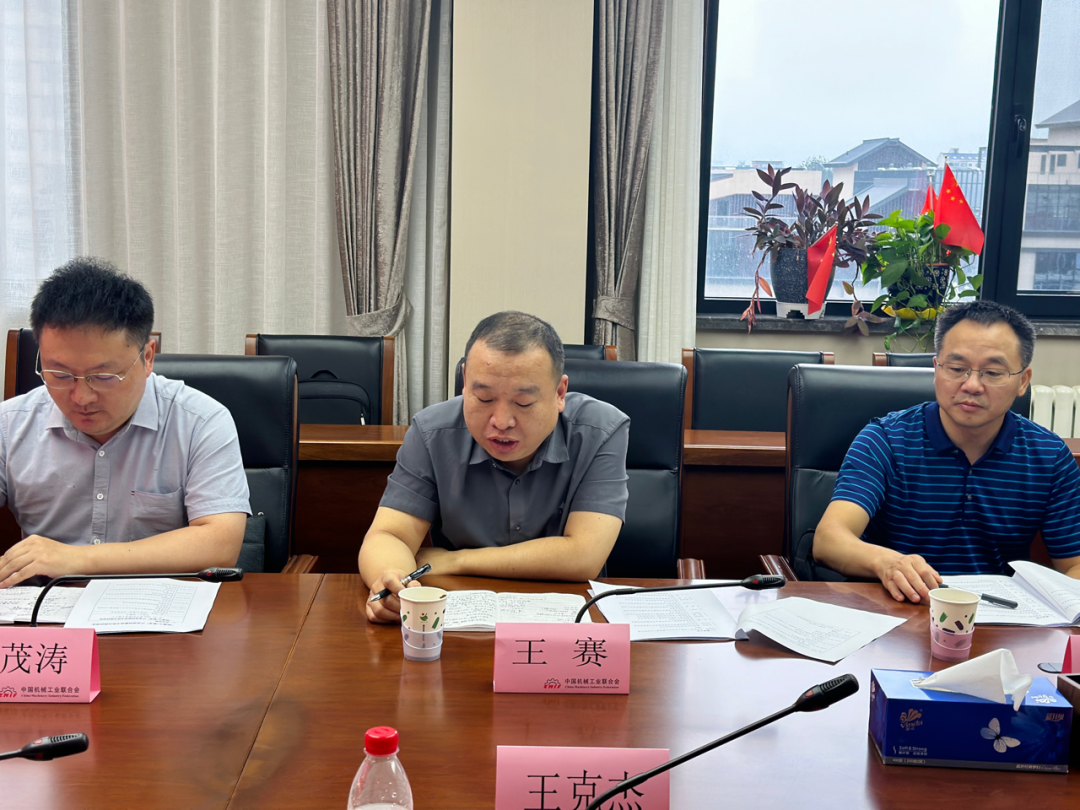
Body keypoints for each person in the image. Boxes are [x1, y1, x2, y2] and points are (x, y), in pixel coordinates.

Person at [360, 311, 629, 623]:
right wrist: (391, 579)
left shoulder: (601, 431)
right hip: (461, 620)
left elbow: (584, 556)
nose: (501, 422)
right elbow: (390, 535)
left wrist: (456, 561)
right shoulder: (432, 432)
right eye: (484, 398)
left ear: (559, 393)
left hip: (572, 622)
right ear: (464, 383)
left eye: (523, 403)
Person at [0, 258, 250, 588]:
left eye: (103, 376)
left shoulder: (200, 422)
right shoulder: (10, 425)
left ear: (147, 357)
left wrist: (77, 560)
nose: (81, 397)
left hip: (160, 608)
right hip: (44, 609)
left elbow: (220, 543)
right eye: (60, 374)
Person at [814, 300, 1080, 604]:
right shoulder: (884, 440)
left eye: (993, 372)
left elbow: (1074, 564)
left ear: (1023, 381)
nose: (972, 385)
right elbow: (829, 540)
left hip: (998, 617)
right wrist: (888, 563)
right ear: (936, 369)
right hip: (896, 610)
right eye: (956, 369)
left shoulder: (1049, 457)